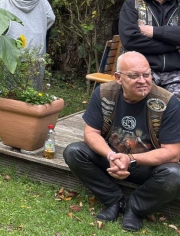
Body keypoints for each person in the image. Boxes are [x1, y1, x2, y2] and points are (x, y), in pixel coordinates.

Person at [63, 51, 180, 232]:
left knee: (175, 174)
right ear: (118, 78)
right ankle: (113, 200)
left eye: (146, 74)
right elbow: (91, 133)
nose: (142, 80)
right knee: (73, 152)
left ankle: (135, 208)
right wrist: (111, 155)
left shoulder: (167, 102)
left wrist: (130, 159)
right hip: (112, 160)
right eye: (134, 76)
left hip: (146, 165)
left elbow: (173, 153)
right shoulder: (104, 92)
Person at [119, 0, 180, 97]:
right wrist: (174, 44)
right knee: (138, 101)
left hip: (176, 73)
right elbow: (130, 40)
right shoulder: (132, 5)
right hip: (141, 72)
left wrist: (154, 31)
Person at [0, 0, 55, 89]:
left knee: (11, 88)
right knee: (33, 88)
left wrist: (7, 32)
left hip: (14, 45)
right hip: (36, 47)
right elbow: (51, 17)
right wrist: (40, 30)